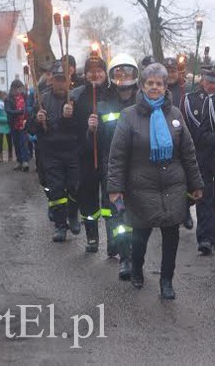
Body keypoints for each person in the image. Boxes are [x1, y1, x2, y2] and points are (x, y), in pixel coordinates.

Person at [106, 63, 204, 299]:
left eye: (159, 83)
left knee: (171, 236)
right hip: (140, 187)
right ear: (142, 86)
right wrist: (115, 188)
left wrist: (196, 184)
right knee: (140, 236)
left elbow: (188, 153)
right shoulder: (129, 116)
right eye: (150, 83)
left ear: (165, 87)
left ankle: (166, 281)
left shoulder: (176, 115)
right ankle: (137, 268)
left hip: (173, 185)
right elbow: (117, 155)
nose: (154, 87)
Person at [89, 53, 140, 278]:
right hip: (114, 167)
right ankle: (125, 258)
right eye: (118, 72)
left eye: (128, 71)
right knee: (119, 216)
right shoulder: (102, 104)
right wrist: (92, 129)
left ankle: (136, 255)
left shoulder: (144, 102)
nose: (123, 77)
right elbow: (94, 142)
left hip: (139, 166)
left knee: (137, 215)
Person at [183, 66, 215, 260]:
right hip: (201, 155)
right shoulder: (190, 100)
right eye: (209, 82)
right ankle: (205, 238)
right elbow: (191, 130)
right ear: (202, 81)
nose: (212, 86)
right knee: (204, 197)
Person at [28, 61, 82, 242]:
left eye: (63, 80)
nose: (60, 83)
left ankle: (73, 215)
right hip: (51, 153)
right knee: (57, 191)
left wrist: (70, 117)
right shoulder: (41, 100)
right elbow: (30, 129)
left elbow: (80, 128)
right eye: (57, 80)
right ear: (52, 81)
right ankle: (60, 226)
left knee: (74, 187)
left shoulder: (75, 100)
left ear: (69, 81)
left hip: (73, 151)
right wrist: (37, 120)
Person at [71, 52, 111, 253]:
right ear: (85, 74)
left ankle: (114, 241)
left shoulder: (112, 93)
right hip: (86, 156)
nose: (95, 75)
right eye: (90, 72)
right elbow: (71, 127)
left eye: (99, 71)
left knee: (111, 199)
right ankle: (92, 236)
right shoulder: (77, 96)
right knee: (88, 199)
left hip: (109, 154)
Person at [164, 55, 194, 230]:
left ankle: (186, 210)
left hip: (183, 137)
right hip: (165, 139)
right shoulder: (160, 89)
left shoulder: (186, 89)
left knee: (186, 176)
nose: (170, 74)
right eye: (167, 71)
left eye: (173, 71)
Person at [5, 79, 31, 172]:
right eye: (16, 89)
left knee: (23, 142)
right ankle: (19, 160)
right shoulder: (8, 99)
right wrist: (20, 112)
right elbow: (8, 111)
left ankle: (25, 161)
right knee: (16, 143)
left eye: (20, 89)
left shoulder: (25, 97)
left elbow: (28, 108)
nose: (18, 91)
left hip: (23, 123)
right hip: (13, 123)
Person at [0, 90, 13, 163]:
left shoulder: (8, 103)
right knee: (0, 141)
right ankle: (0, 156)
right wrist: (6, 119)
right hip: (1, 125)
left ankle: (10, 155)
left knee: (9, 141)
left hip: (8, 125)